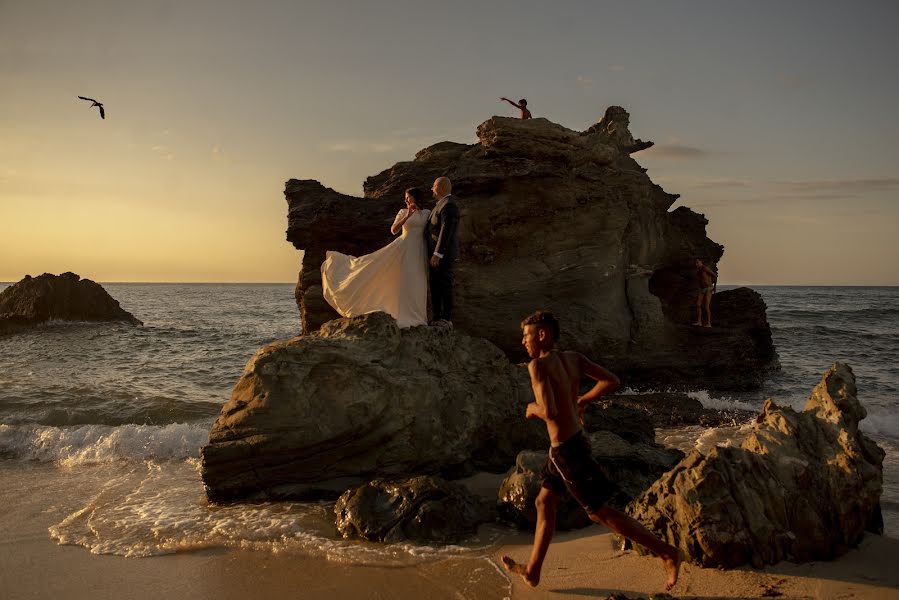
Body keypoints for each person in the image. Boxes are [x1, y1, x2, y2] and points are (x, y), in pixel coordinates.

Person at [501, 310, 681, 592]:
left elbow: (549, 411)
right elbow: (611, 380)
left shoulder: (537, 367)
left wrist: (530, 410)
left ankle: (666, 552)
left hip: (566, 452)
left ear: (542, 335)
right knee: (544, 502)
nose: (523, 342)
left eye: (526, 335)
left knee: (599, 513)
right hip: (574, 443)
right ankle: (533, 570)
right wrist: (582, 400)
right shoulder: (573, 358)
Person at [320, 188, 430, 328]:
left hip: (419, 250)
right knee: (400, 278)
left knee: (417, 280)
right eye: (405, 198)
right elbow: (393, 230)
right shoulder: (403, 212)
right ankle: (404, 314)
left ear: (416, 197)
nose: (406, 200)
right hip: (403, 248)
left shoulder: (427, 213)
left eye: (408, 197)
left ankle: (418, 315)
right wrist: (407, 215)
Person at [425, 177, 460, 323]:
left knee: (444, 285)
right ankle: (437, 316)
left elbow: (446, 231)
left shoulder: (449, 205)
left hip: (442, 256)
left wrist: (437, 254)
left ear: (439, 187)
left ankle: (445, 319)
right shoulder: (440, 205)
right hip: (436, 255)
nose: (432, 189)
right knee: (435, 285)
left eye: (433, 186)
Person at [693, 258, 717, 327]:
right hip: (702, 289)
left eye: (697, 262)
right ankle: (699, 322)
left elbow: (714, 275)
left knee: (706, 306)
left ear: (701, 262)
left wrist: (714, 287)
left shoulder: (705, 268)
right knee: (698, 304)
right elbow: (700, 280)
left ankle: (709, 323)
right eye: (695, 263)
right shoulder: (698, 271)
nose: (696, 264)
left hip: (709, 288)